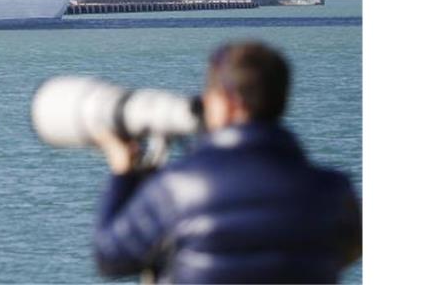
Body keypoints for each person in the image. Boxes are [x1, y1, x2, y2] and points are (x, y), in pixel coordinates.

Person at [91, 41, 361, 283]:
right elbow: (348, 253)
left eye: (211, 95)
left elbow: (110, 257)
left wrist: (123, 172)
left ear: (230, 103)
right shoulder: (333, 190)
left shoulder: (175, 188)